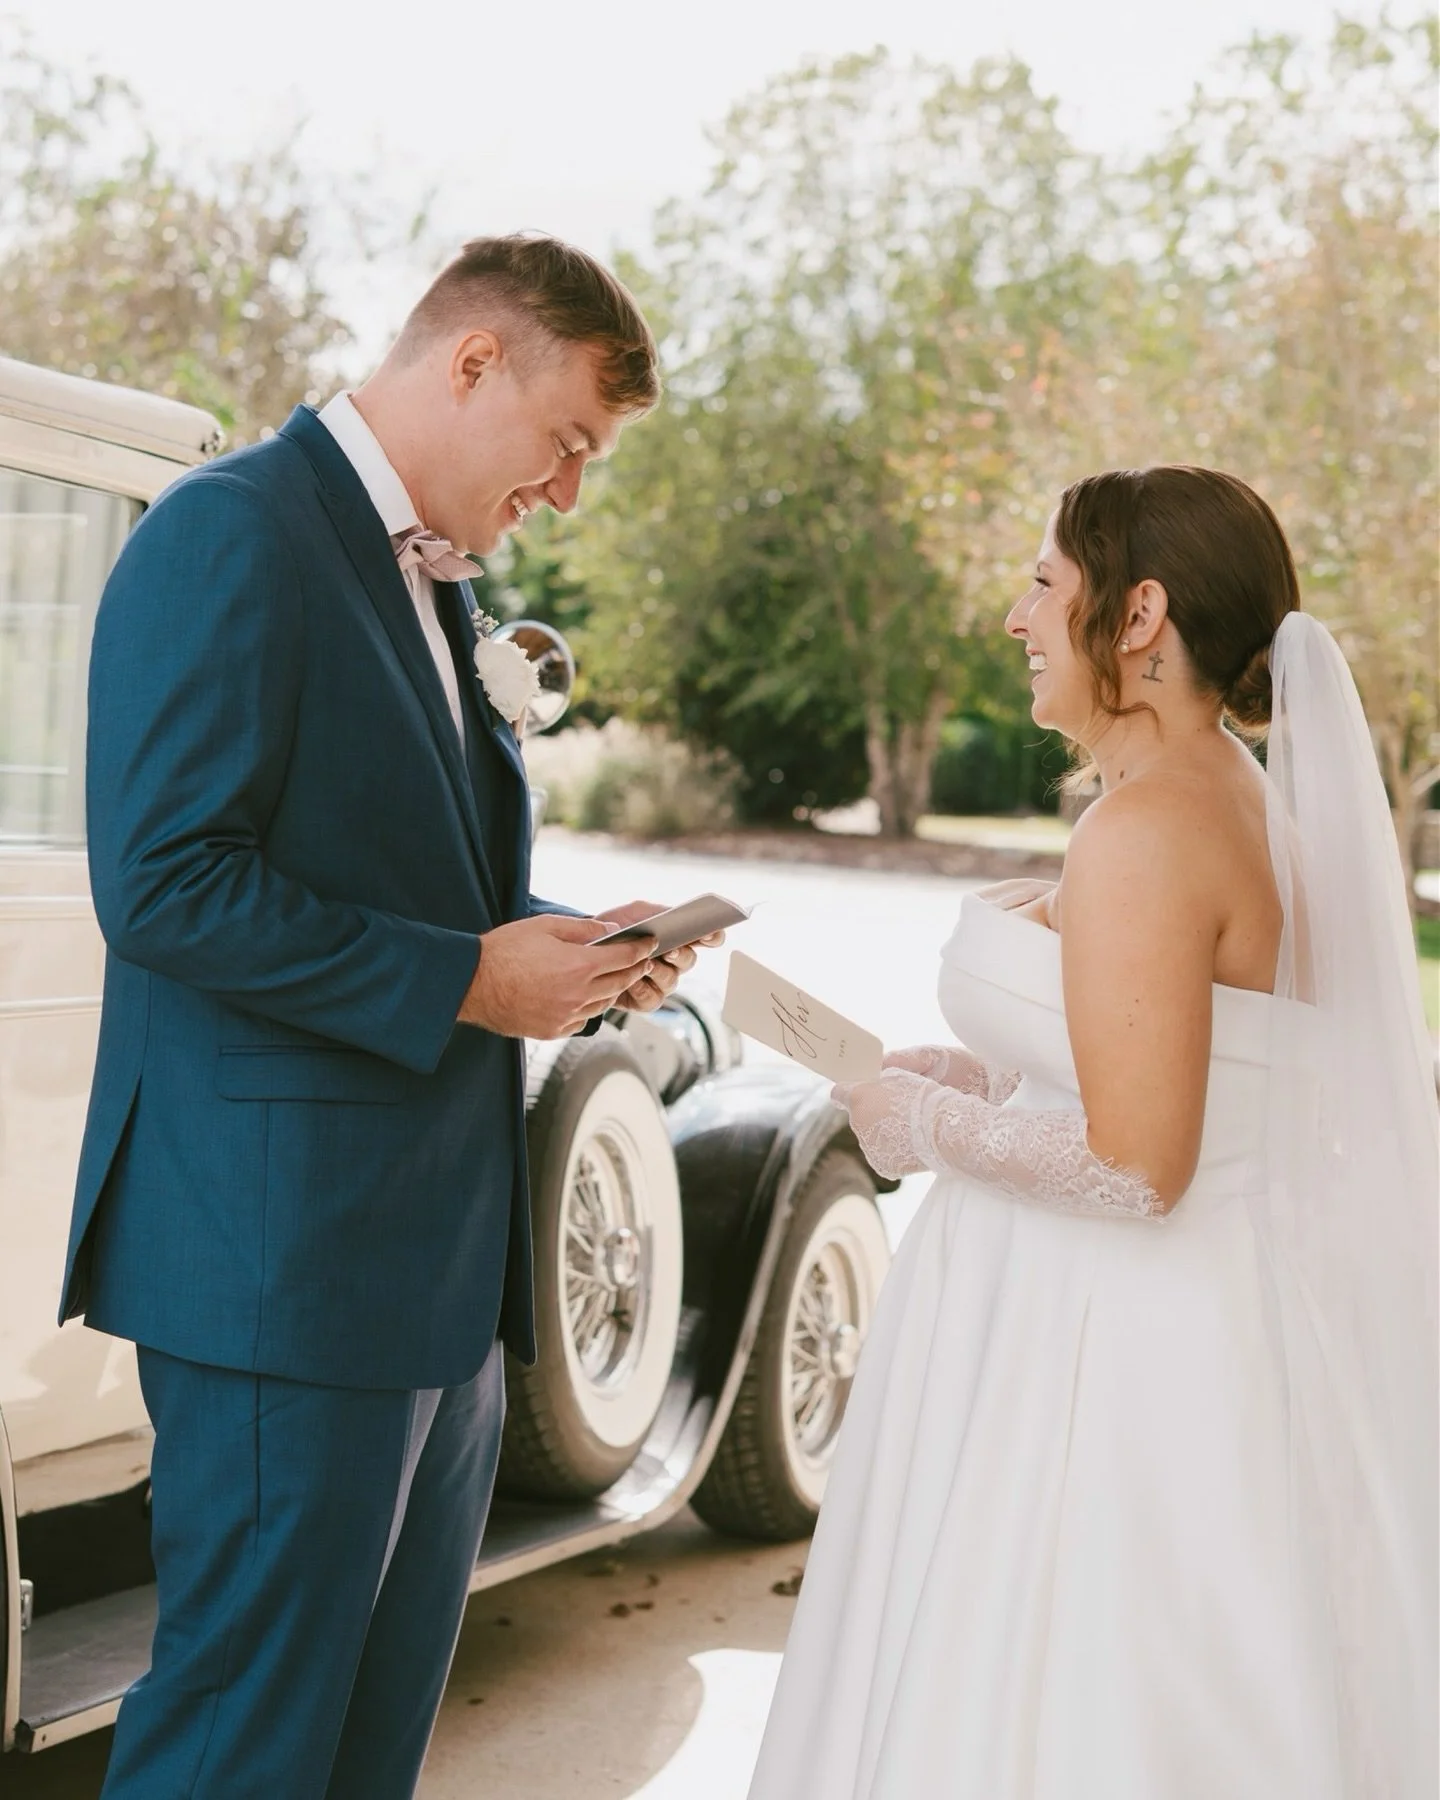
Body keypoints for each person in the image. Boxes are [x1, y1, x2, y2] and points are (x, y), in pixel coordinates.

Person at [59, 234, 699, 1800]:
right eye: (566, 446)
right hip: (283, 1268)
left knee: (363, 1756)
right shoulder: (234, 534)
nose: (565, 493)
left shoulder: (436, 579)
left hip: (433, 1285)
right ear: (474, 362)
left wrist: (567, 950)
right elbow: (164, 885)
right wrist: (477, 980)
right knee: (241, 1744)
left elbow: (410, 879)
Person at [749, 465, 1438, 1799]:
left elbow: (1136, 1167)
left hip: (1103, 1364)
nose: (1016, 616)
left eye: (1046, 583)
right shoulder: (1236, 800)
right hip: (1184, 1327)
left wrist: (925, 1124)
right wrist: (998, 1083)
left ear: (1140, 618)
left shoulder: (1147, 831)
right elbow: (1212, 1080)